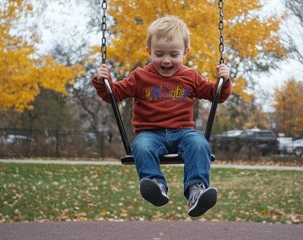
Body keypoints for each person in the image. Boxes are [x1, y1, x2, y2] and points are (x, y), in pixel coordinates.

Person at [91, 15, 232, 217]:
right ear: (149, 51)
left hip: (183, 132)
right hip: (150, 133)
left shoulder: (190, 76)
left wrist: (224, 81)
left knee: (199, 143)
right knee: (140, 146)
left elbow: (215, 95)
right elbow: (114, 94)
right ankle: (155, 185)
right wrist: (102, 81)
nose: (166, 60)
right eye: (159, 54)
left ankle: (196, 190)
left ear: (186, 52)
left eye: (174, 54)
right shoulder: (140, 76)